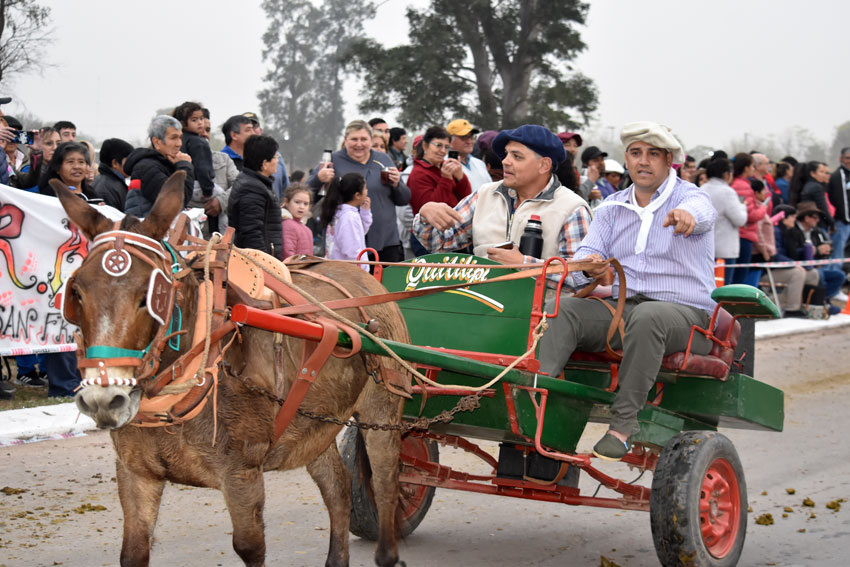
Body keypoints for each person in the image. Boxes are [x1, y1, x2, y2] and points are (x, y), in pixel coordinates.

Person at [539, 121, 717, 461]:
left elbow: (703, 214)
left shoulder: (692, 197)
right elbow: (582, 259)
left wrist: (686, 216)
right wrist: (589, 264)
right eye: (636, 153)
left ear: (669, 161)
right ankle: (535, 401)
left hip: (687, 316)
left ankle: (622, 427)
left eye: (653, 154)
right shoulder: (610, 207)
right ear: (626, 159)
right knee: (561, 308)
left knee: (649, 317)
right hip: (623, 310)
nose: (643, 161)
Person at [411, 124, 590, 264]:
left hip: (539, 309)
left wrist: (525, 265)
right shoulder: (485, 195)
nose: (505, 161)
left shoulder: (572, 208)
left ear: (544, 165)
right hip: (480, 303)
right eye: (506, 154)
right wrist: (426, 214)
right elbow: (438, 244)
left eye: (517, 156)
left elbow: (580, 275)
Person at [308, 119, 410, 262]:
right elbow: (306, 194)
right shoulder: (333, 161)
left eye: (364, 139)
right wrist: (318, 178)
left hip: (386, 240)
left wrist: (397, 184)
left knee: (387, 284)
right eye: (354, 139)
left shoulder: (383, 159)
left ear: (370, 140)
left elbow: (404, 199)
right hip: (347, 244)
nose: (359, 144)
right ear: (345, 140)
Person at [407, 126, 471, 255]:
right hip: (429, 237)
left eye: (446, 147)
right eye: (438, 145)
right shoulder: (418, 174)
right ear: (425, 146)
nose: (442, 151)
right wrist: (446, 179)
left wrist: (460, 177)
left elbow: (467, 200)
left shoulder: (444, 167)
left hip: (453, 234)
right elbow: (430, 210)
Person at [123, 115, 195, 217]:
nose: (179, 144)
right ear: (157, 142)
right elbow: (177, 201)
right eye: (173, 138)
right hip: (146, 231)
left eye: (180, 137)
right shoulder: (147, 167)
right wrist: (185, 166)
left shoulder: (166, 164)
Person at [781, 202, 844, 313]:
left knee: (839, 276)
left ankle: (822, 301)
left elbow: (824, 250)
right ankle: (820, 303)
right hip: (799, 266)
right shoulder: (793, 230)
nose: (817, 220)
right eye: (814, 217)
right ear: (806, 217)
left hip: (813, 266)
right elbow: (793, 253)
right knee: (817, 274)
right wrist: (815, 250)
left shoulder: (816, 232)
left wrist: (823, 251)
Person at [227, 135, 283, 259]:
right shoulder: (252, 189)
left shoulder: (256, 183)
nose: (277, 160)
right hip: (256, 262)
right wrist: (264, 263)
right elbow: (252, 233)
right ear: (264, 164)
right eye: (275, 157)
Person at [765, 204, 818, 318]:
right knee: (797, 273)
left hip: (784, 268)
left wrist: (804, 250)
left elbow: (791, 253)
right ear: (784, 218)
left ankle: (807, 306)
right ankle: (792, 309)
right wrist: (794, 264)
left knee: (813, 274)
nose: (794, 220)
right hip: (769, 270)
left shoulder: (790, 231)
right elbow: (776, 255)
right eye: (792, 217)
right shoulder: (775, 231)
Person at [701, 158, 747, 283]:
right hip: (725, 250)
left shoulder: (703, 188)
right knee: (724, 288)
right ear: (726, 174)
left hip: (705, 248)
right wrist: (743, 206)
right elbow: (740, 220)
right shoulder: (727, 192)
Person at [321, 172, 372, 270]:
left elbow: (360, 233)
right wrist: (363, 270)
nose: (367, 191)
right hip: (350, 273)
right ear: (357, 195)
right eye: (365, 188)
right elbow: (351, 250)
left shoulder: (341, 213)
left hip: (340, 270)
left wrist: (365, 212)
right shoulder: (348, 217)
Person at [729, 153, 766, 285]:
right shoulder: (742, 186)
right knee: (738, 279)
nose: (753, 169)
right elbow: (749, 215)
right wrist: (763, 208)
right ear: (746, 168)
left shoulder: (738, 183)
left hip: (740, 235)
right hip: (743, 235)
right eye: (752, 166)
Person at [243, 112, 289, 200]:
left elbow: (285, 188)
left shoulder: (277, 156)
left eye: (254, 126)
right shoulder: (233, 158)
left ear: (260, 130)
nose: (252, 131)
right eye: (247, 128)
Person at [446, 119, 492, 192]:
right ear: (450, 140)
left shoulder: (480, 164)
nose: (469, 141)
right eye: (464, 137)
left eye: (471, 137)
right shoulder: (444, 164)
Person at [91, 138, 134, 210]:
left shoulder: (113, 183)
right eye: (129, 160)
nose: (132, 164)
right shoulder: (105, 190)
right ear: (115, 163)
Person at [789, 161, 833, 231]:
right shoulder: (816, 187)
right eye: (821, 172)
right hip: (818, 223)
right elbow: (823, 208)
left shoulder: (808, 185)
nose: (824, 175)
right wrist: (831, 223)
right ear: (812, 173)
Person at [827, 147, 850, 274]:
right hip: (842, 222)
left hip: (847, 222)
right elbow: (841, 200)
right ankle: (834, 286)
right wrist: (846, 219)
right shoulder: (839, 175)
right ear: (841, 159)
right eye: (847, 158)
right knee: (837, 254)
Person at [281, 183, 314, 257]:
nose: (301, 207)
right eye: (297, 202)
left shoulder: (306, 228)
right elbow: (287, 254)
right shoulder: (287, 224)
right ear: (286, 201)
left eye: (306, 204)